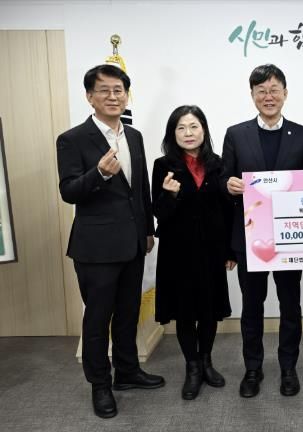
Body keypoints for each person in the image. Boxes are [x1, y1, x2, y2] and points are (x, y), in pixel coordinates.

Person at [56, 64, 164, 419]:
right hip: (96, 249)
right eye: (104, 90)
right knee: (97, 320)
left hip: (133, 244)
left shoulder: (134, 136)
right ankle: (100, 385)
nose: (113, 96)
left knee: (128, 313)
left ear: (126, 95)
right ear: (90, 97)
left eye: (119, 90)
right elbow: (69, 191)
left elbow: (140, 190)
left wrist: (148, 230)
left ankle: (127, 371)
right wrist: (99, 173)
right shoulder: (72, 139)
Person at [221, 64, 303, 398]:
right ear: (252, 95)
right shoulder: (236, 134)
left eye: (274, 89)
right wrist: (228, 185)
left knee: (290, 305)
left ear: (285, 93)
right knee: (252, 306)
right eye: (261, 90)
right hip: (250, 238)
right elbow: (223, 180)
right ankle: (253, 368)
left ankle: (288, 367)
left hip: (290, 238)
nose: (268, 96)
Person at [152, 105, 236, 400]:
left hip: (212, 249)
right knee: (185, 311)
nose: (188, 133)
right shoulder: (162, 165)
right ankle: (192, 367)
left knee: (209, 310)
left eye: (193, 126)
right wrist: (170, 195)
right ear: (172, 133)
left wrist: (231, 251)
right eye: (181, 128)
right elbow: (159, 212)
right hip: (178, 252)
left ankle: (206, 361)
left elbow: (228, 210)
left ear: (204, 130)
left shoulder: (218, 164)